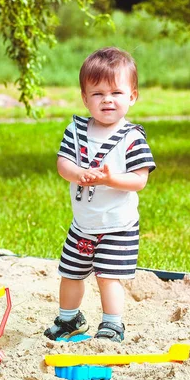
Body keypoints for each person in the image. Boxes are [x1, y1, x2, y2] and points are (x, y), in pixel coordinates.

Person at [44, 47, 156, 343]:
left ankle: (112, 323)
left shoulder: (132, 138)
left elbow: (139, 179)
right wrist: (77, 173)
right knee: (70, 273)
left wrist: (110, 179)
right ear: (85, 98)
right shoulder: (76, 131)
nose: (107, 99)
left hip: (118, 226)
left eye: (116, 92)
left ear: (132, 96)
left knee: (108, 277)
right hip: (83, 225)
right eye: (97, 94)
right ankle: (69, 319)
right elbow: (63, 163)